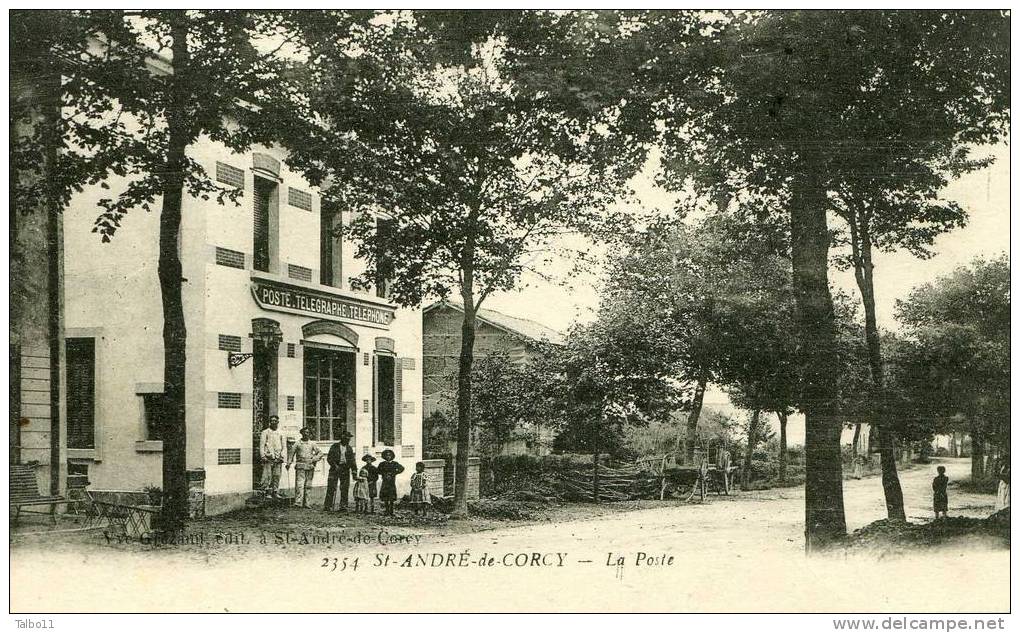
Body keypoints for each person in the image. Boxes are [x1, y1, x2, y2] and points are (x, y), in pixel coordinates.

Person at [288, 427, 323, 508]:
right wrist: (289, 463)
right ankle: (298, 502)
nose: (306, 434)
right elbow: (291, 453)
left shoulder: (312, 444)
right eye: (304, 432)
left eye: (308, 432)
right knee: (299, 484)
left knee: (308, 485)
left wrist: (314, 459)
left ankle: (307, 503)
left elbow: (320, 453)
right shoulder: (297, 443)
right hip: (300, 466)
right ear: (302, 433)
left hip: (310, 466)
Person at [323, 430, 357, 512]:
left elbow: (352, 460)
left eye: (349, 438)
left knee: (344, 488)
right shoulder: (334, 446)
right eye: (346, 437)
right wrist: (335, 466)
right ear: (342, 437)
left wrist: (354, 471)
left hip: (345, 469)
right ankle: (328, 506)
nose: (348, 439)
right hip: (334, 469)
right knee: (331, 487)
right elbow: (329, 458)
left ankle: (343, 506)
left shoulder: (349, 448)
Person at [259, 416, 285, 498]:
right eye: (271, 421)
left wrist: (282, 456)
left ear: (278, 422)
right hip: (268, 457)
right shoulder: (265, 432)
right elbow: (262, 445)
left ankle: (275, 491)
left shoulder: (281, 432)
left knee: (277, 475)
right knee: (267, 475)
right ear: (270, 422)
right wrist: (263, 456)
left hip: (278, 458)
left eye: (275, 421)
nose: (273, 422)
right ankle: (267, 492)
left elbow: (284, 446)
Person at [376, 449, 404, 516]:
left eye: (389, 455)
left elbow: (402, 468)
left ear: (392, 456)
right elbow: (378, 471)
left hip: (391, 482)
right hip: (385, 482)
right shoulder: (382, 464)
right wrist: (384, 474)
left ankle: (391, 511)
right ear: (384, 456)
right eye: (387, 455)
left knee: (391, 497)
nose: (388, 456)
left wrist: (394, 473)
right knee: (385, 497)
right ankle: (386, 510)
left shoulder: (394, 463)